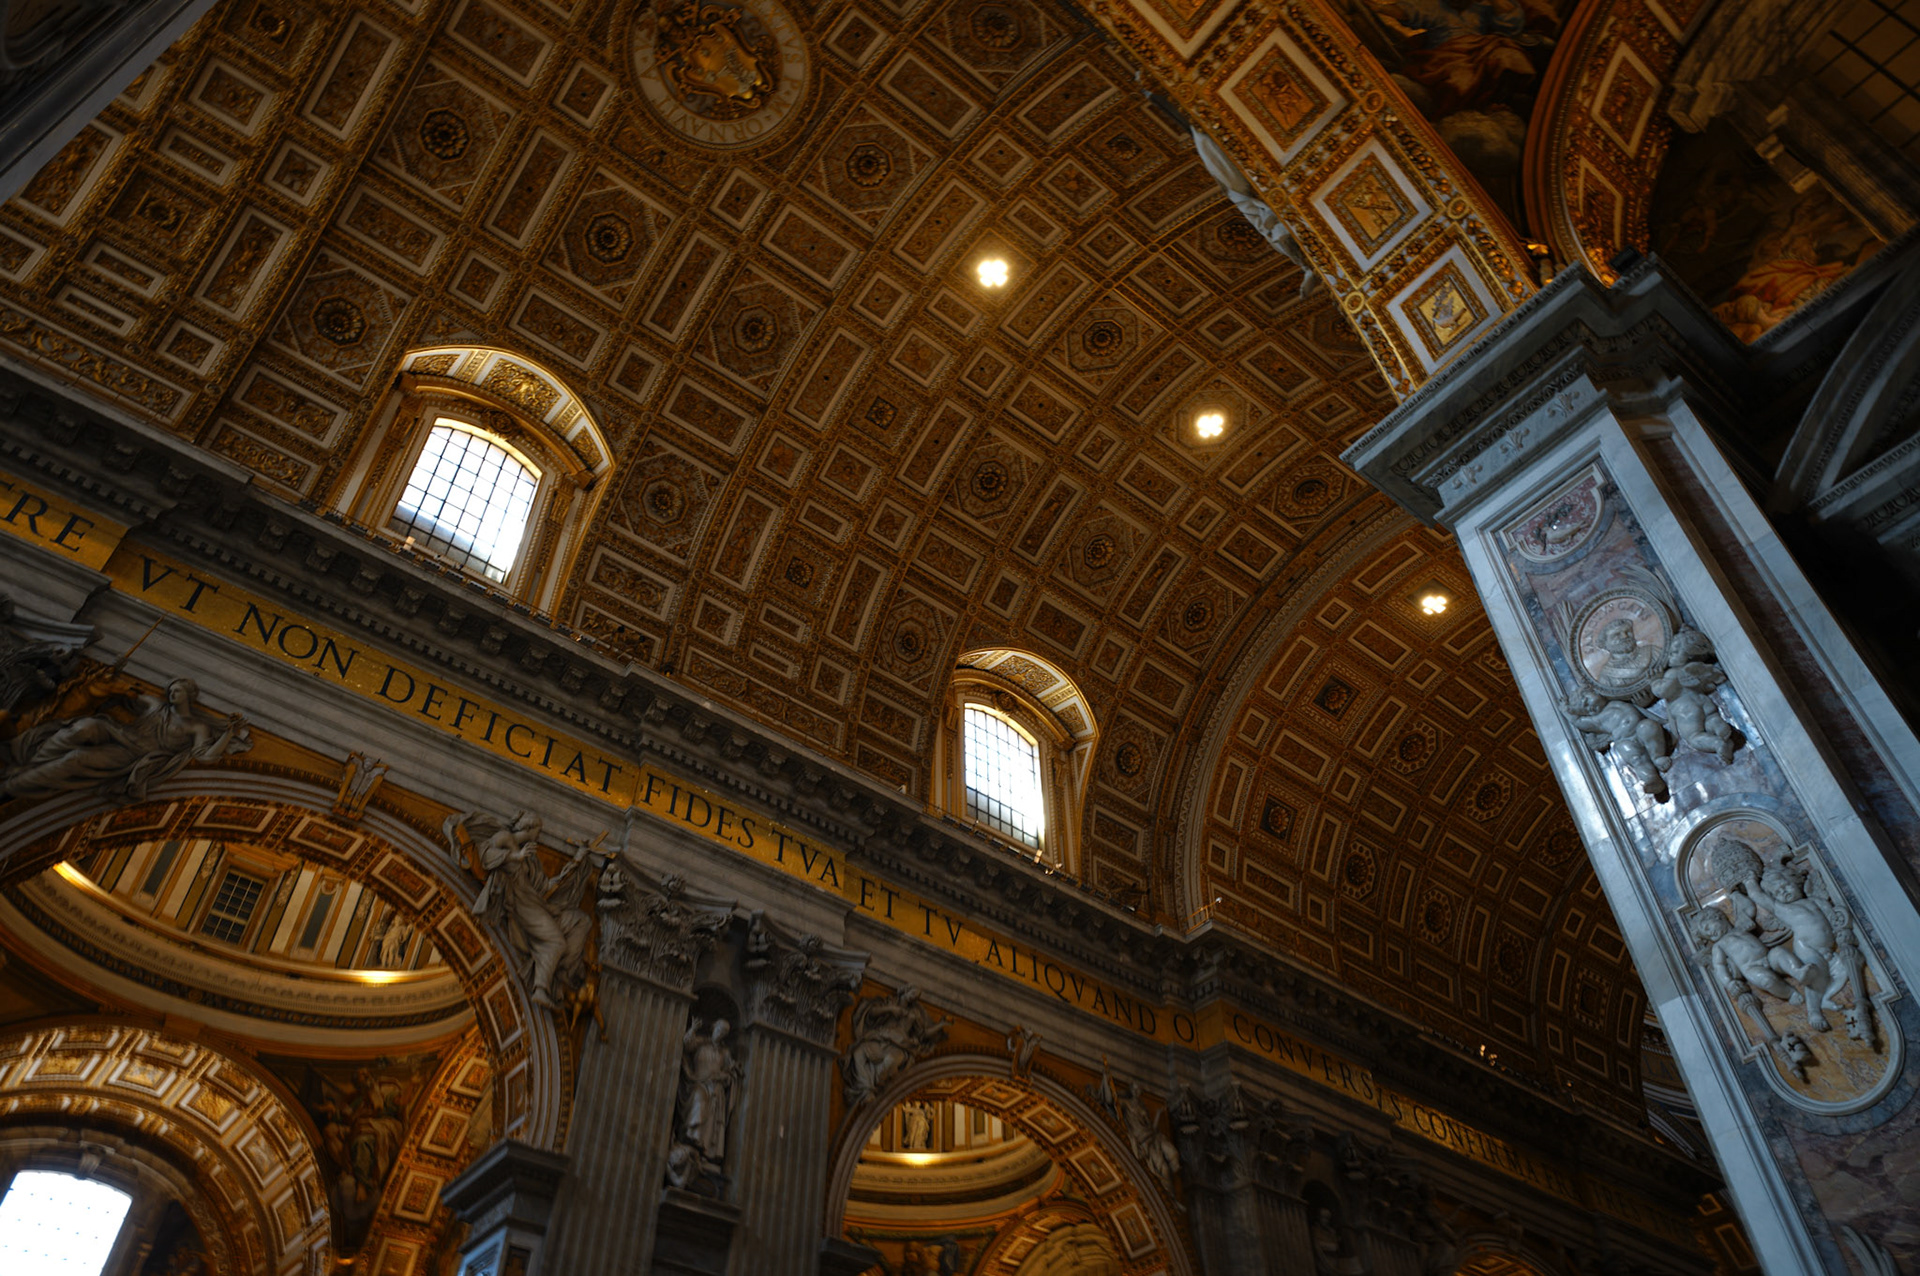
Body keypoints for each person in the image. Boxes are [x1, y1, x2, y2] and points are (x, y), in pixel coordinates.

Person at [2, 677, 250, 802]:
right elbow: (129, 694)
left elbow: (205, 757)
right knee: (86, 726)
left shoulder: (197, 726)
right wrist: (119, 686)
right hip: (120, 733)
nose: (172, 693)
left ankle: (11, 785)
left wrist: (228, 733)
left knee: (76, 759)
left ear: (190, 695)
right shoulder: (155, 704)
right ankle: (30, 762)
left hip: (133, 754)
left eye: (178, 691)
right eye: (171, 690)